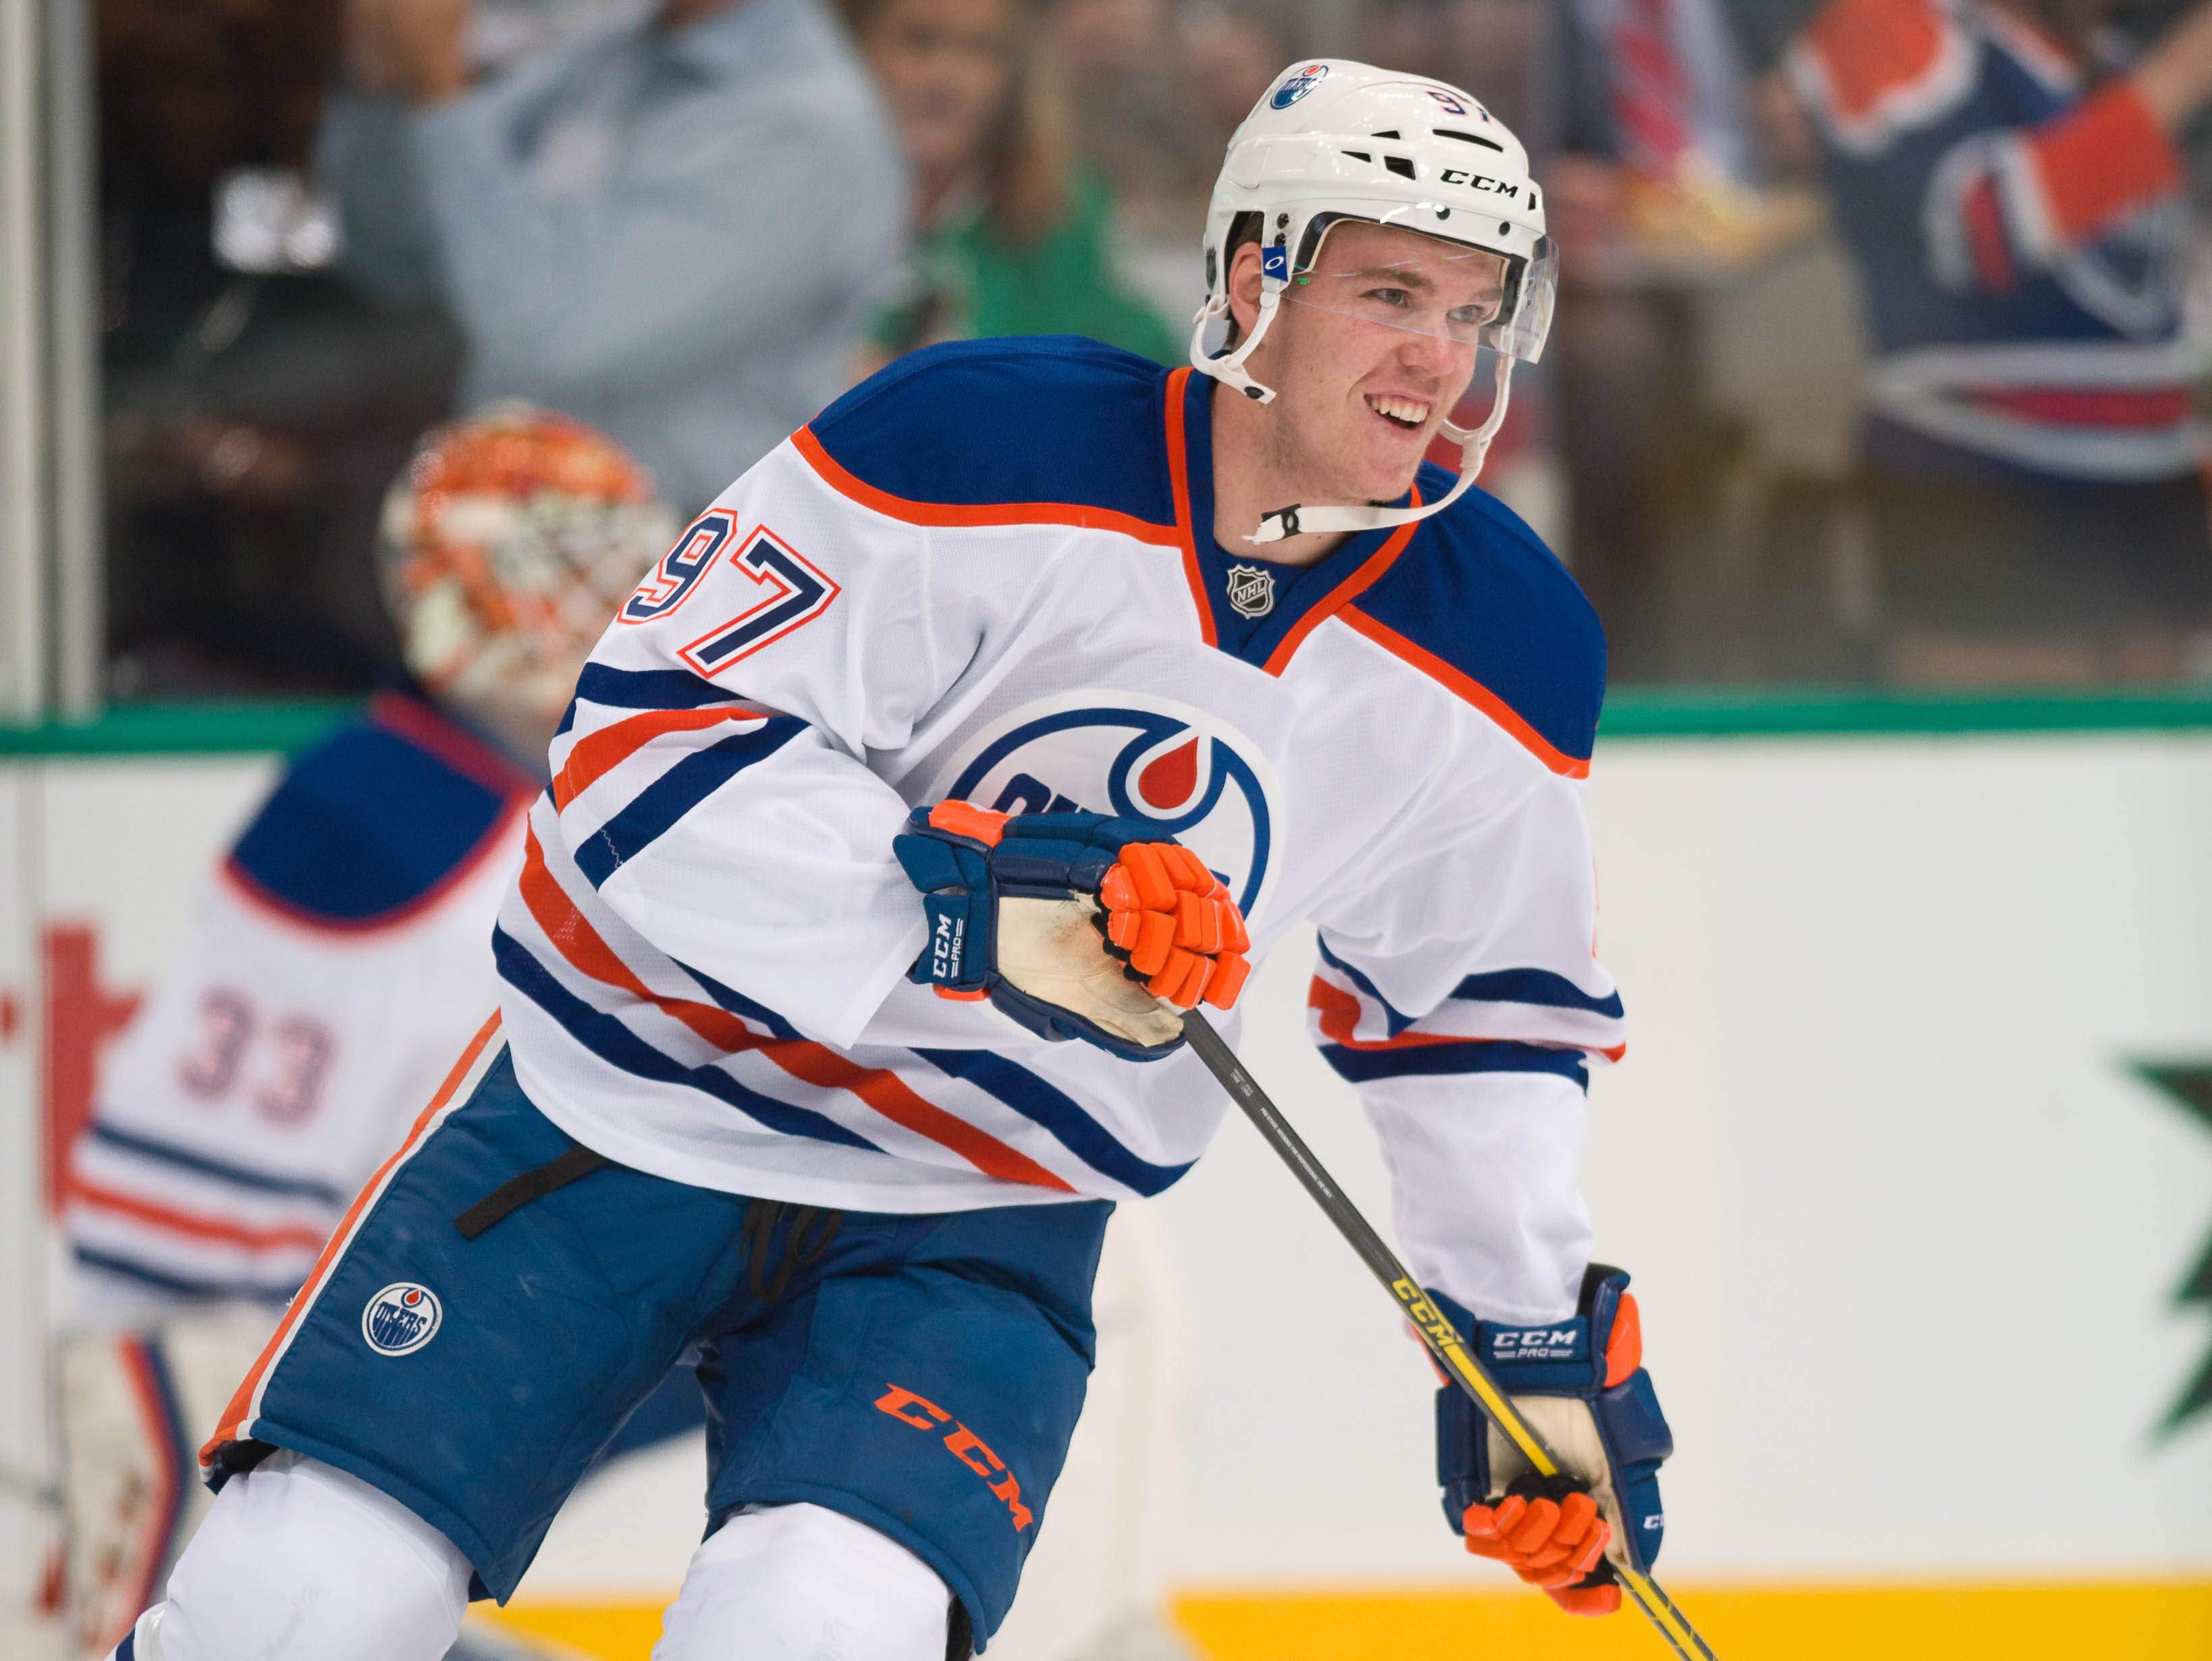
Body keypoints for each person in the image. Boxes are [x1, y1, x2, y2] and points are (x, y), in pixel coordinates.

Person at [107, 61, 1676, 1661]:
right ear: (1252, 278)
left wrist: (1523, 1334)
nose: (1436, 357)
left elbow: (1477, 1013)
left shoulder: (1506, 645)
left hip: (973, 1206)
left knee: (815, 1628)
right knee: (291, 1602)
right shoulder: (974, 442)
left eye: (1475, 309)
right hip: (629, 1104)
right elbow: (642, 739)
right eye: (1391, 290)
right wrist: (969, 908)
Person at [61, 407, 678, 1661]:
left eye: (629, 563)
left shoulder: (414, 781)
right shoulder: (413, 819)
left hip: (312, 1365)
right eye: (581, 567)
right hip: (258, 1385)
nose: (621, 602)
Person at [315, 0, 907, 514]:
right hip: (508, 540)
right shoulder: (604, 61)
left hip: (683, 582)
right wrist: (385, 87)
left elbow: (549, 334)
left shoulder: (807, 129)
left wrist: (439, 88)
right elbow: (391, 263)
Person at [1785, 0, 2212, 675]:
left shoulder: (2113, 59)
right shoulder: (1882, 27)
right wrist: (2187, 70)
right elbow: (1983, 227)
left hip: (2154, 511)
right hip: (1980, 497)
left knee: (2140, 770)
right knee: (1993, 771)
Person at [842, 0, 1181, 366]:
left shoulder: (1061, 215)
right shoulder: (814, 197)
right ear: (859, 47)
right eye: (919, 41)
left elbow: (1147, 370)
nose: (945, 77)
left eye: (978, 49)